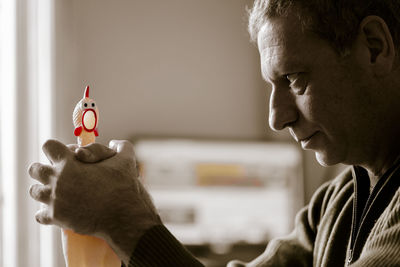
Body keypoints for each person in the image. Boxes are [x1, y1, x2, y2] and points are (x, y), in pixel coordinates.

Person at [29, 0, 400, 266]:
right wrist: (125, 209)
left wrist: (123, 217)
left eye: (293, 79)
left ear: (374, 47)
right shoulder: (336, 202)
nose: (276, 117)